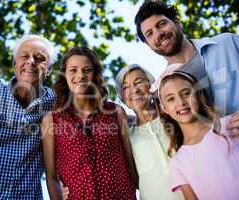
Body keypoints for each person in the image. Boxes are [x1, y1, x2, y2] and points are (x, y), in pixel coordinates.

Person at [41, 47, 137, 200]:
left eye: (87, 70)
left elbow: (130, 162)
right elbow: (51, 176)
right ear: (64, 75)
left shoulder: (116, 112)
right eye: (73, 70)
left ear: (95, 75)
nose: (80, 75)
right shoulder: (52, 119)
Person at [134, 0, 239, 134]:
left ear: (177, 23)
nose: (158, 34)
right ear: (149, 45)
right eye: (149, 33)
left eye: (161, 24)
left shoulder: (228, 43)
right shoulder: (165, 90)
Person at [0, 35, 56, 199]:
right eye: (25, 56)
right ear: (14, 64)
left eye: (39, 58)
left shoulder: (55, 101)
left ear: (48, 69)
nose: (31, 61)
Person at [153, 64, 239, 200]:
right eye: (171, 98)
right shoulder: (178, 162)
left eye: (186, 93)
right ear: (164, 108)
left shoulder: (231, 124)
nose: (181, 102)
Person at [115, 64, 183, 200]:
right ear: (122, 97)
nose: (134, 90)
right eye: (125, 87)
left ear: (151, 86)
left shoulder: (175, 117)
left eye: (139, 82)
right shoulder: (127, 136)